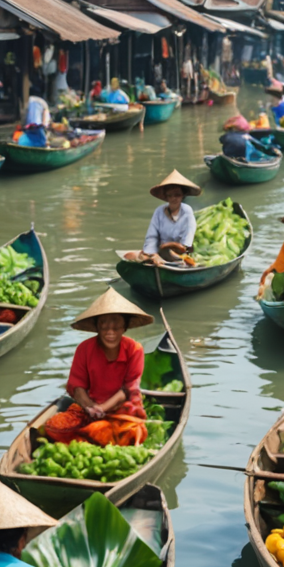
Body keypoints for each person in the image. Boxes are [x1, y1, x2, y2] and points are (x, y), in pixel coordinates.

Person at [66, 289, 152, 422]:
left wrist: (102, 408)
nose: (110, 333)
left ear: (124, 328)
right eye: (104, 328)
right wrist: (91, 407)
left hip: (125, 409)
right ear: (97, 327)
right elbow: (77, 386)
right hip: (90, 407)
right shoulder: (84, 349)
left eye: (116, 328)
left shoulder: (134, 349)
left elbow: (129, 388)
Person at [137, 170, 199, 265]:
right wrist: (152, 253)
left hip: (182, 253)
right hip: (161, 251)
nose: (174, 198)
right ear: (166, 197)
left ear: (182, 196)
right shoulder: (159, 211)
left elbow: (189, 235)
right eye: (170, 195)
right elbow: (152, 235)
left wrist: (181, 248)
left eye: (177, 195)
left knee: (183, 260)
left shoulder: (187, 211)